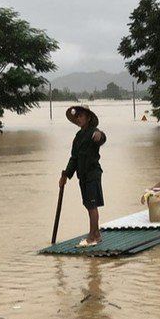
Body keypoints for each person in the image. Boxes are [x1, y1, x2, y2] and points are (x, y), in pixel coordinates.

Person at [59, 105, 107, 247]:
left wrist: (100, 135)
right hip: (83, 175)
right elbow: (74, 158)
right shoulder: (78, 137)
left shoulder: (94, 132)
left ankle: (92, 237)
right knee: (87, 204)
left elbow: (101, 138)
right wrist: (65, 175)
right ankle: (96, 233)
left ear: (88, 117)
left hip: (93, 173)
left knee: (92, 205)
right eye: (77, 116)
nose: (78, 118)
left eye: (81, 116)